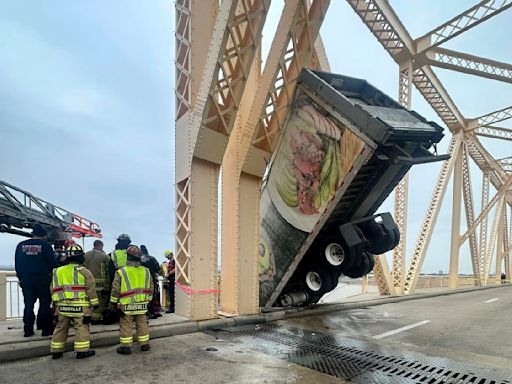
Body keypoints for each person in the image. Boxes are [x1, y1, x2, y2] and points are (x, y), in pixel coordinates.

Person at [50, 244, 99, 360]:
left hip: (63, 306)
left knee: (61, 327)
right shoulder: (84, 272)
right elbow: (90, 289)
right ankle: (81, 351)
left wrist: (55, 304)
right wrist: (95, 304)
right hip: (80, 306)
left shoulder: (57, 271)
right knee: (81, 328)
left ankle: (56, 351)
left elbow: (52, 289)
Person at [14, 224, 58, 337]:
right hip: (43, 278)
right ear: (43, 236)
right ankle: (45, 329)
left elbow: (17, 264)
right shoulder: (46, 246)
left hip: (27, 279)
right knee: (44, 304)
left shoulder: (21, 245)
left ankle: (28, 330)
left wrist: (21, 278)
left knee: (28, 305)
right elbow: (53, 264)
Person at [110, 245, 153, 354]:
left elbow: (115, 289)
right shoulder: (146, 271)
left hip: (126, 304)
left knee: (126, 324)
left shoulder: (121, 272)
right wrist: (149, 301)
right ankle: (144, 344)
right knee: (142, 323)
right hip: (142, 303)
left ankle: (126, 347)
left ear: (127, 257)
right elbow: (151, 287)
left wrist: (113, 303)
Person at [83, 240, 110, 324]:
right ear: (101, 246)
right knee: (99, 304)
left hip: (86, 284)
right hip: (101, 285)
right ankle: (95, 319)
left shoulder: (85, 255)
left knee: (88, 302)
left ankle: (87, 316)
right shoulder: (105, 256)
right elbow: (107, 272)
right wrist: (107, 286)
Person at [140, 245, 161, 319]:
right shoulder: (152, 258)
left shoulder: (138, 259)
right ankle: (152, 312)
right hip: (151, 279)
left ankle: (143, 312)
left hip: (141, 280)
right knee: (152, 295)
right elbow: (158, 268)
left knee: (141, 296)